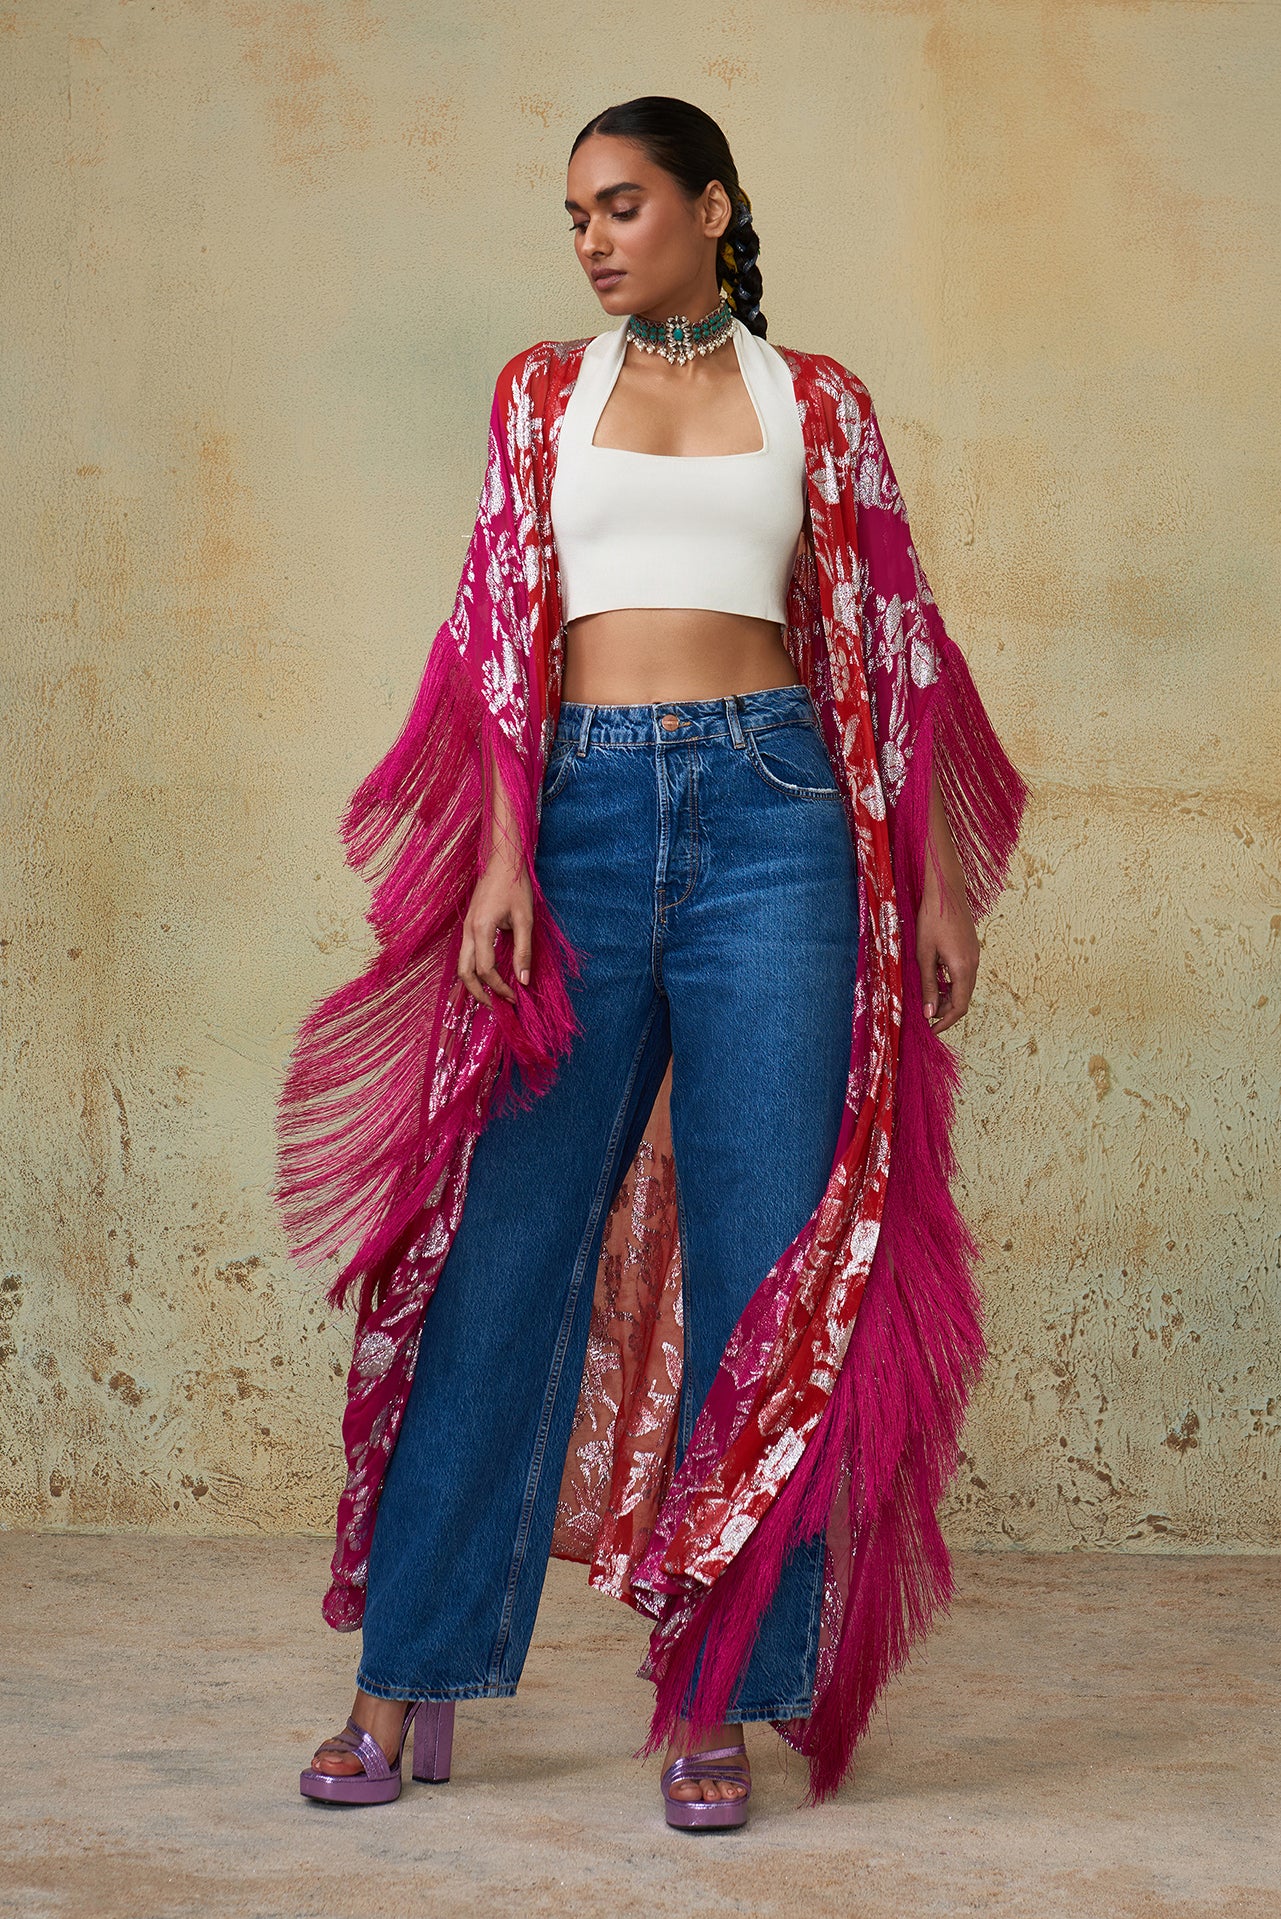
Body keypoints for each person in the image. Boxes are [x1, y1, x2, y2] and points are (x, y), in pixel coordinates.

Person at [278, 95, 1028, 1829]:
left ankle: (717, 1704)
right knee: (502, 1255)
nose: (594, 241)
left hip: (782, 824)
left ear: (713, 207)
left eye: (621, 206)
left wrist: (932, 885)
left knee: (770, 1274)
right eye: (575, 217)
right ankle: (403, 1681)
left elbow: (892, 640)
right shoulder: (541, 393)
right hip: (584, 824)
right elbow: (496, 629)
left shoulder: (814, 403)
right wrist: (501, 857)